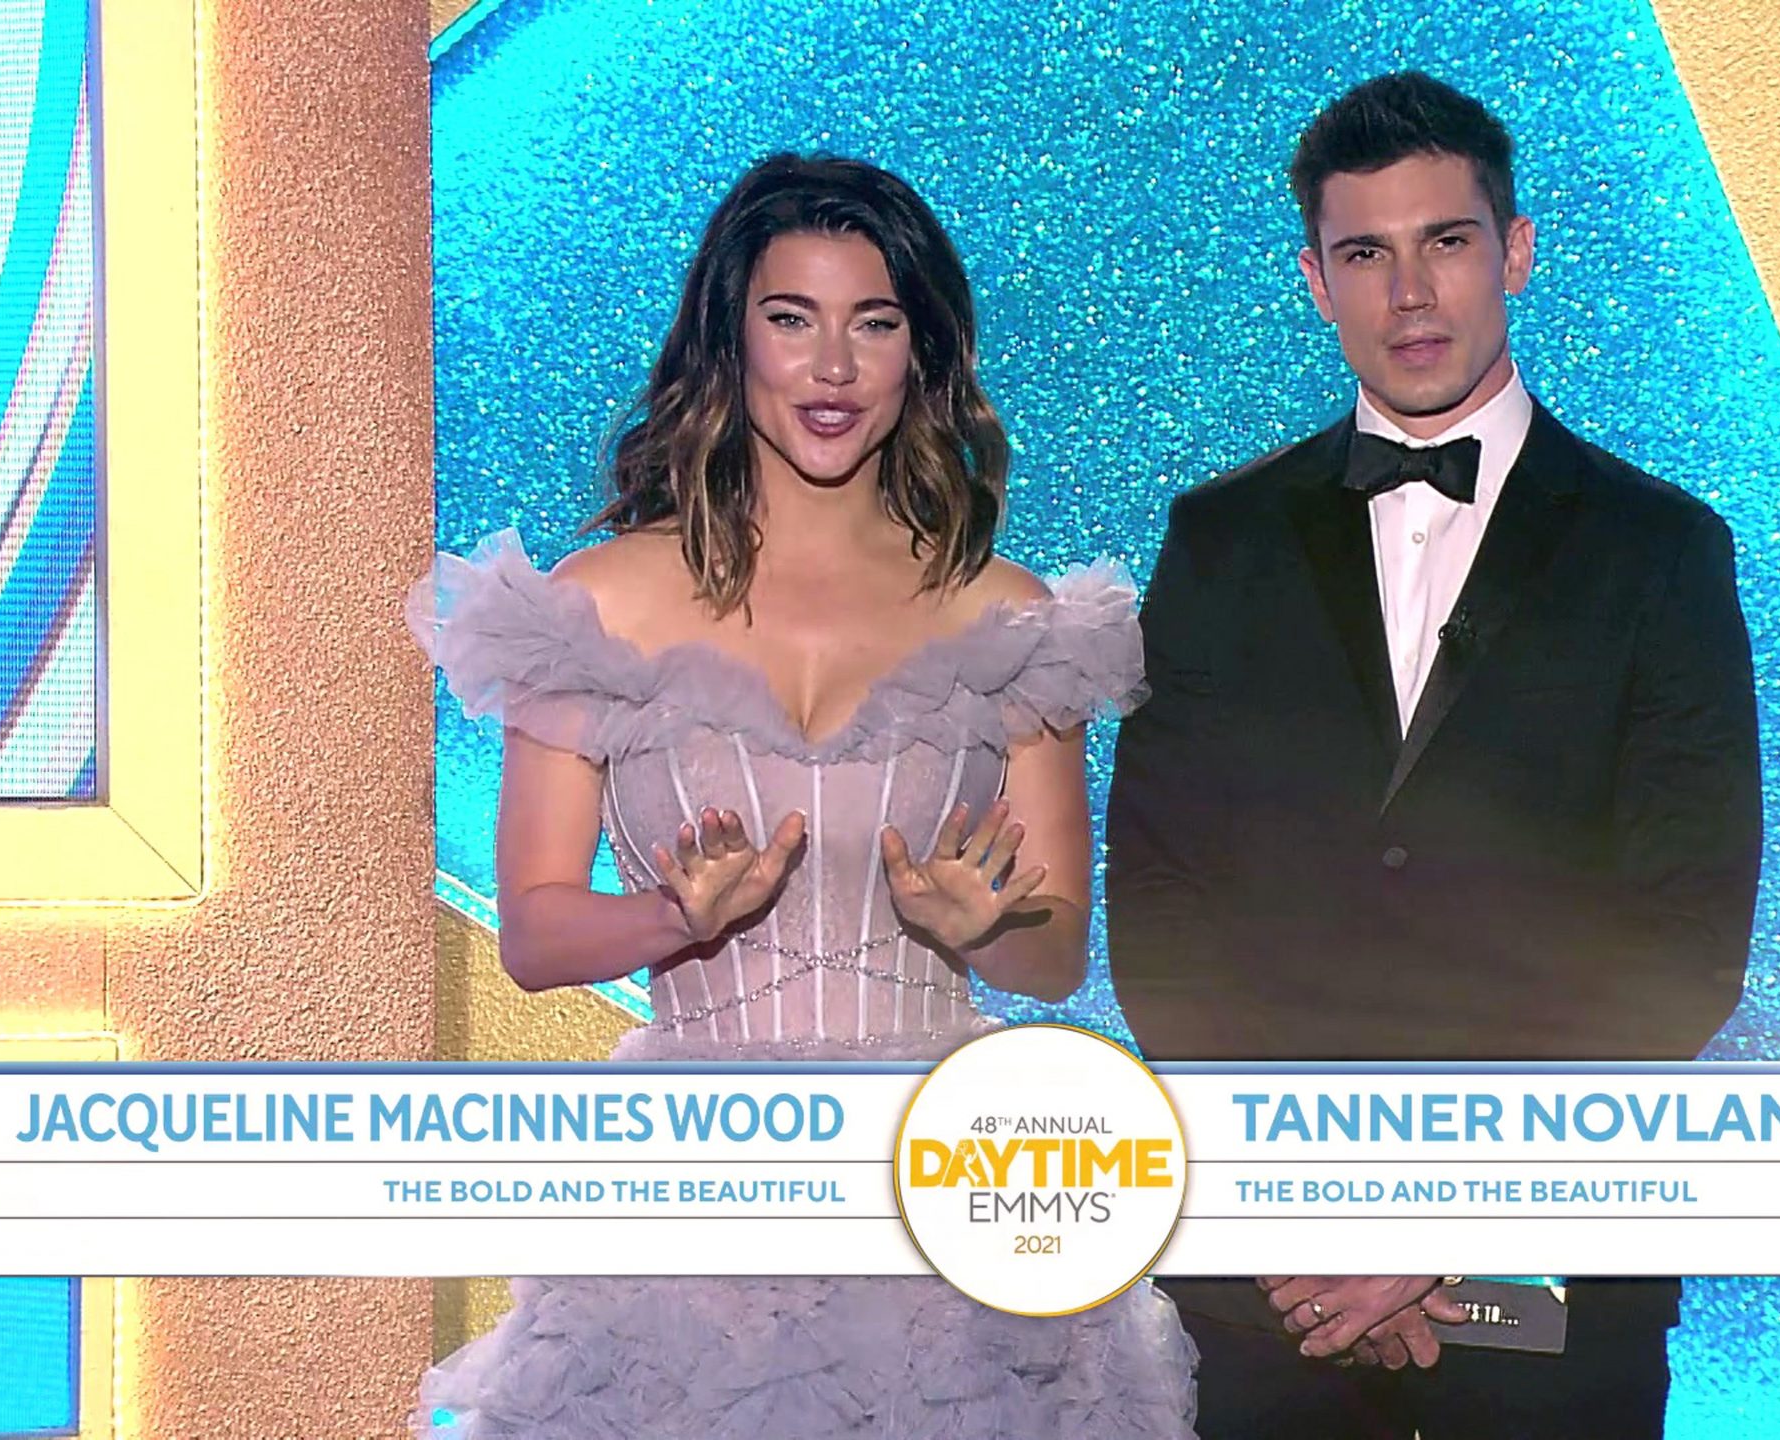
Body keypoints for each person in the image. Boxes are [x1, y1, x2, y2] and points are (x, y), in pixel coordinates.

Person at [406, 152, 1196, 1439]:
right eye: (792, 319)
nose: (832, 367)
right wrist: (675, 916)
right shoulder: (591, 604)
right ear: (731, 341)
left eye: (872, 324)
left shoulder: (1016, 618)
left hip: (947, 1191)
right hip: (694, 1198)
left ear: (920, 355)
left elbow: (1055, 959)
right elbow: (535, 938)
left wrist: (980, 923)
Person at [1106, 72, 1763, 1439]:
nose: (1409, 293)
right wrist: (1304, 1213)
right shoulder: (1217, 542)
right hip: (1268, 1290)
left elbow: (1682, 938)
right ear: (1315, 282)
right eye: (1365, 253)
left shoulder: (1662, 551)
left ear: (1515, 250)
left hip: (1555, 1285)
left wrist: (1449, 1213)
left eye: (1445, 242)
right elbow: (1163, 900)